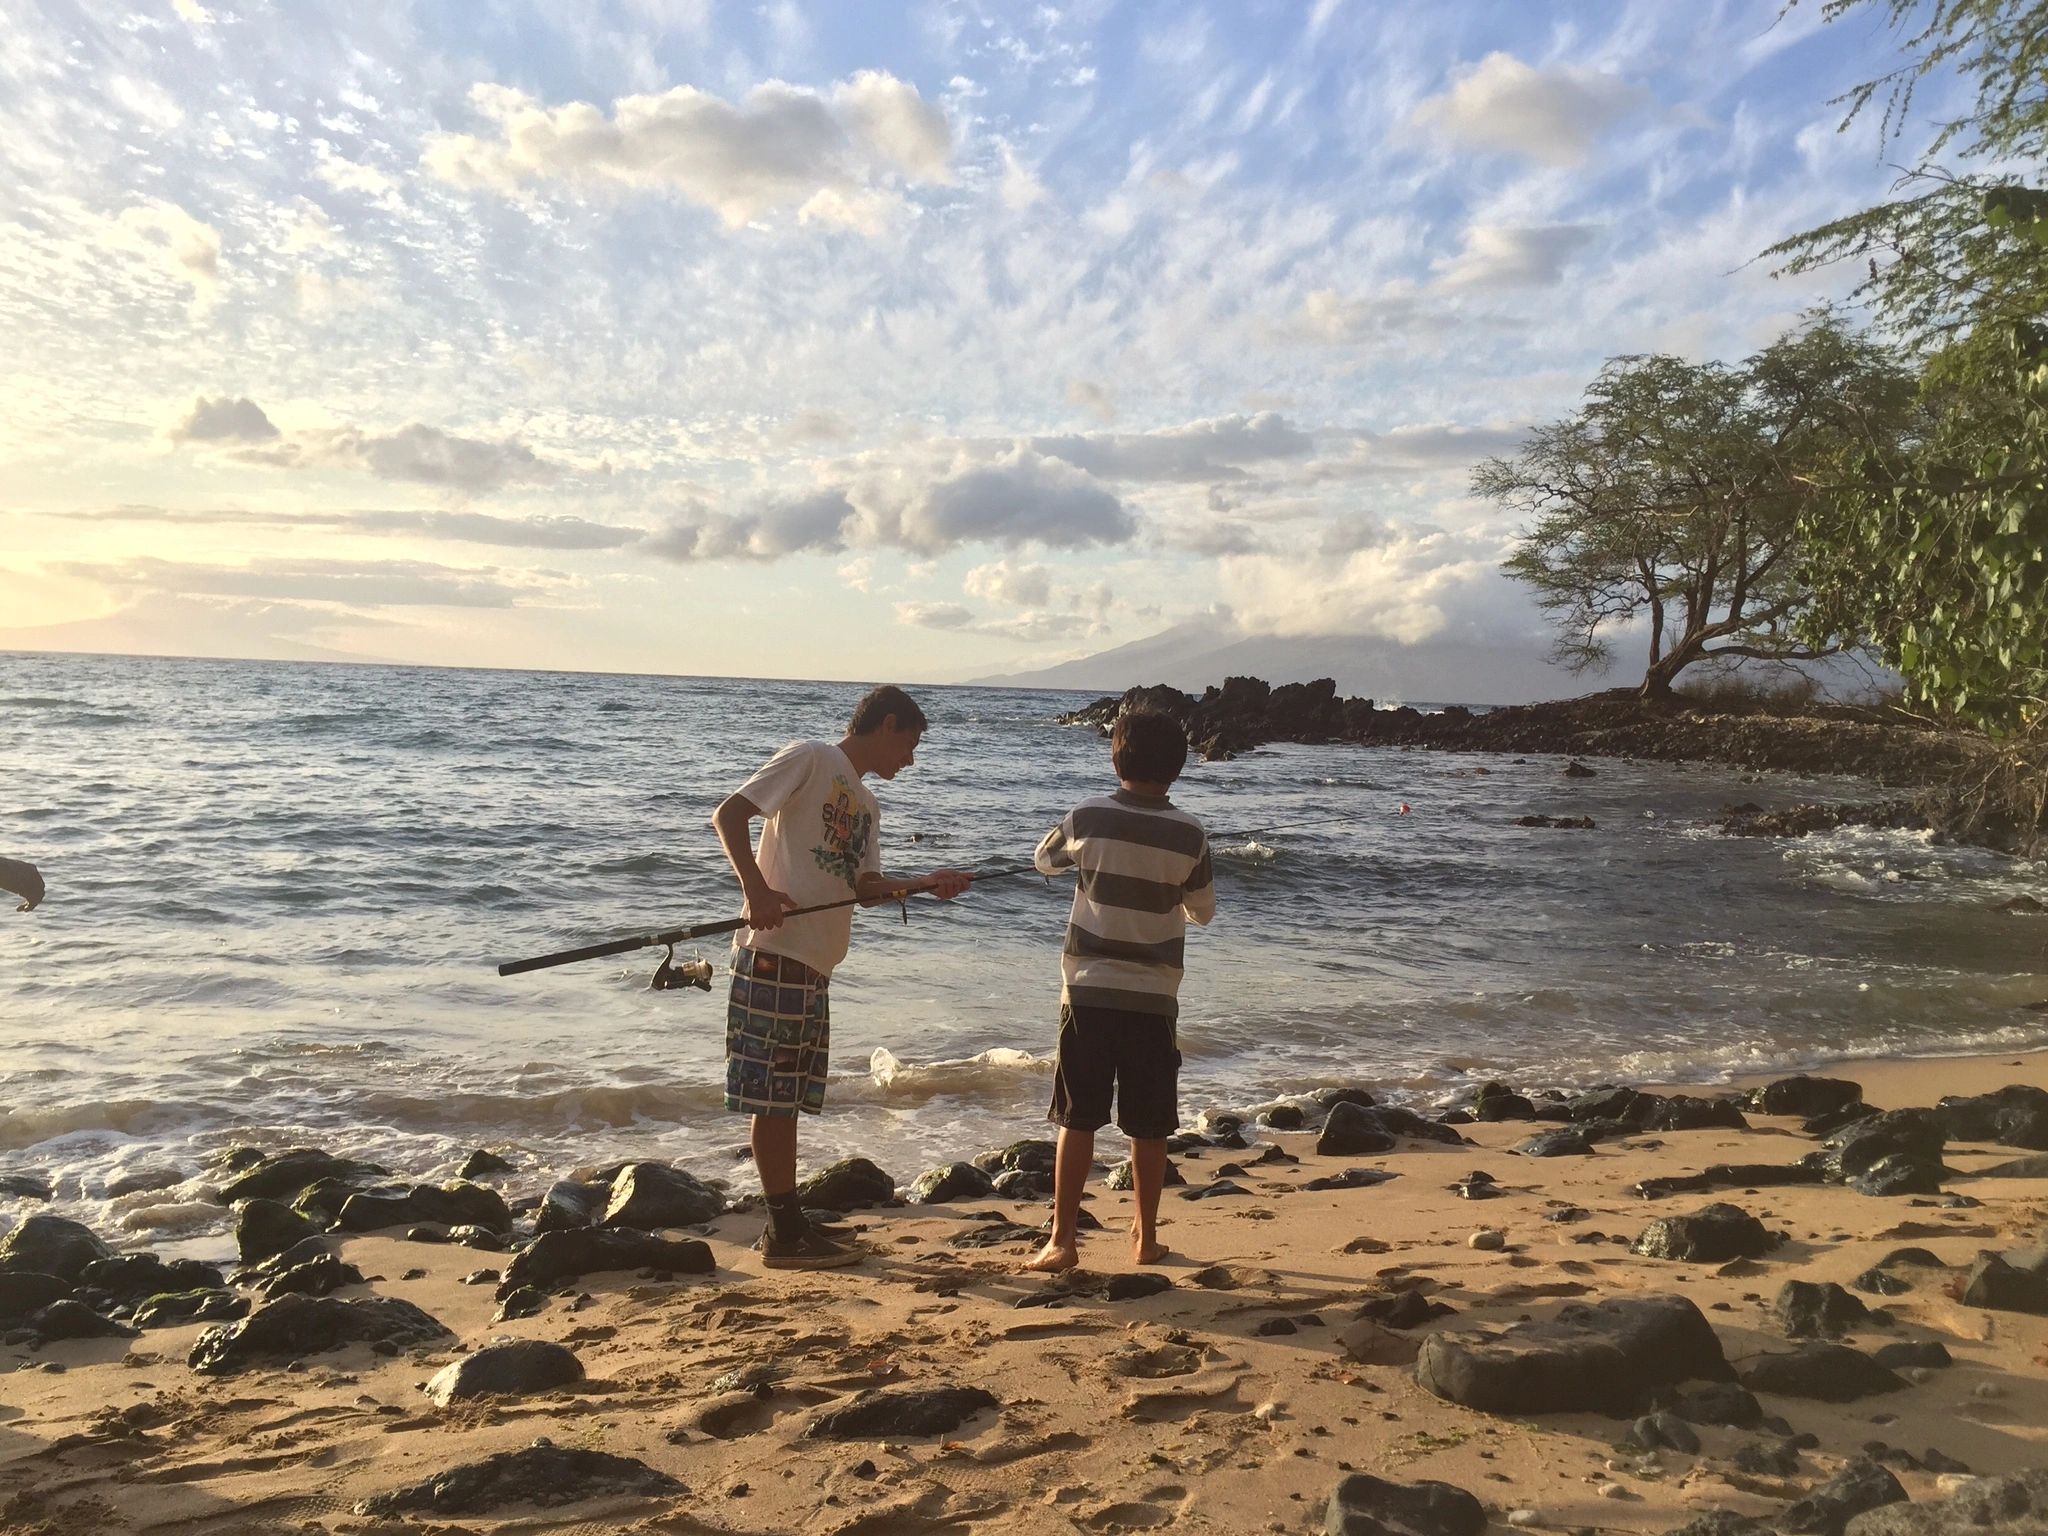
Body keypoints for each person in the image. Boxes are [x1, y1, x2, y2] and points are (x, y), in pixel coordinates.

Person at [711, 685, 972, 1270]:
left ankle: (789, 1225)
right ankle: (783, 1236)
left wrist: (927, 883)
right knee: (772, 1100)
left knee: (790, 1099)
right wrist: (755, 889)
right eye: (910, 743)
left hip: (815, 965)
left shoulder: (868, 806)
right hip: (776, 952)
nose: (911, 758)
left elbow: (865, 890)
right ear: (886, 723)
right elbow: (729, 814)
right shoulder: (813, 758)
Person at [1026, 709, 1214, 1272]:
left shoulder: (1086, 816)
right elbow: (1202, 912)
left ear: (1117, 756)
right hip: (1153, 1000)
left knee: (1077, 1117)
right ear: (1177, 768)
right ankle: (1146, 1238)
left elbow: (1044, 860)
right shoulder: (1191, 833)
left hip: (1087, 993)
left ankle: (1062, 1238)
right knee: (1149, 1123)